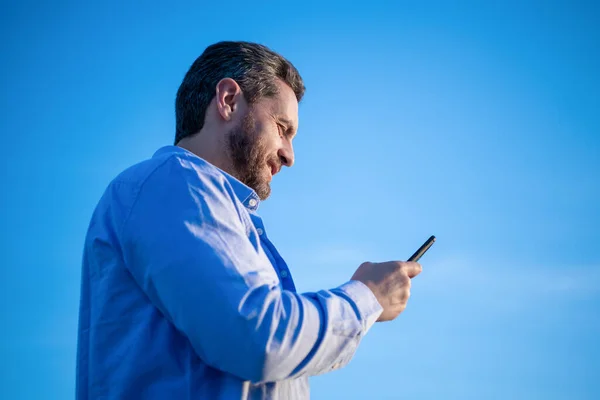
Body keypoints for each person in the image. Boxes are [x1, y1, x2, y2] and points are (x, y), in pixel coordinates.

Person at [75, 40, 423, 399]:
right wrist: (366, 298)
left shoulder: (190, 196)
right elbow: (258, 337)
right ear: (227, 100)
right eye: (282, 127)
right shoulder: (173, 183)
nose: (289, 155)